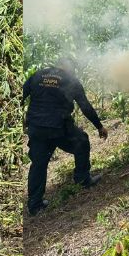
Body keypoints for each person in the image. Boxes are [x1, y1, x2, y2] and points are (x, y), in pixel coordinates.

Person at [22, 58, 108, 216]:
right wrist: (99, 126)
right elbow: (85, 106)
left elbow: (19, 97)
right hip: (58, 128)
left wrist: (23, 121)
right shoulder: (70, 80)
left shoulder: (37, 76)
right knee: (81, 141)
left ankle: (35, 205)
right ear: (68, 67)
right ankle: (83, 179)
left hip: (37, 129)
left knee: (38, 164)